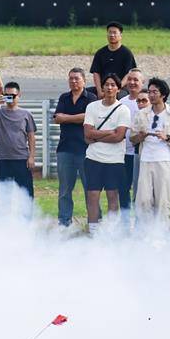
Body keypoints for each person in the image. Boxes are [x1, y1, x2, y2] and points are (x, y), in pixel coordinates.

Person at [130, 78, 170, 227]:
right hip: (145, 160)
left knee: (162, 200)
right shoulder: (141, 114)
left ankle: (160, 233)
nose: (151, 95)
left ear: (163, 95)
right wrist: (141, 136)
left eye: (154, 92)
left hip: (165, 160)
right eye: (149, 92)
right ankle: (145, 232)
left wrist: (167, 137)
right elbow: (132, 139)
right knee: (143, 200)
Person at [83, 74, 132, 234]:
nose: (109, 88)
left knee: (112, 195)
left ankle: (111, 230)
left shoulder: (123, 109)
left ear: (118, 89)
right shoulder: (92, 107)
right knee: (92, 195)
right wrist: (109, 132)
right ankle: (93, 229)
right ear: (102, 87)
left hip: (115, 160)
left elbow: (119, 136)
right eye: (107, 84)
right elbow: (87, 133)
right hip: (93, 158)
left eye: (113, 85)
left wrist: (97, 136)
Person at [53, 68, 98, 227]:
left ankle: (94, 222)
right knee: (65, 189)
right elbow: (57, 118)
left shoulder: (91, 98)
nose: (73, 81)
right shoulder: (64, 97)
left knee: (90, 188)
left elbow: (90, 118)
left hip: (86, 149)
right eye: (71, 78)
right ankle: (64, 222)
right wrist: (78, 118)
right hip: (65, 149)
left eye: (76, 78)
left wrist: (67, 118)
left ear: (84, 81)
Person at [0, 82, 37, 200]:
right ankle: (5, 213)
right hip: (3, 159)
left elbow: (31, 137)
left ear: (19, 95)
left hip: (22, 159)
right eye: (7, 96)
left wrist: (32, 157)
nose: (10, 98)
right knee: (3, 195)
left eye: (13, 95)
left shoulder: (26, 114)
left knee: (26, 193)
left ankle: (26, 212)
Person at [117, 68, 147, 211]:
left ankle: (141, 218)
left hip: (143, 153)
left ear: (143, 82)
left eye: (136, 80)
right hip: (124, 153)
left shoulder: (148, 101)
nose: (132, 82)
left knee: (142, 189)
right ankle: (125, 219)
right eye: (129, 79)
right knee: (123, 188)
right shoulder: (121, 102)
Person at [89, 22, 137, 93]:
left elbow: (129, 73)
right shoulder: (100, 53)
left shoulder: (126, 53)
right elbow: (96, 73)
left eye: (115, 32)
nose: (112, 35)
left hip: (121, 88)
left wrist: (118, 88)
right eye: (110, 32)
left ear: (120, 35)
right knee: (86, 94)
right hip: (103, 87)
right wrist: (99, 90)